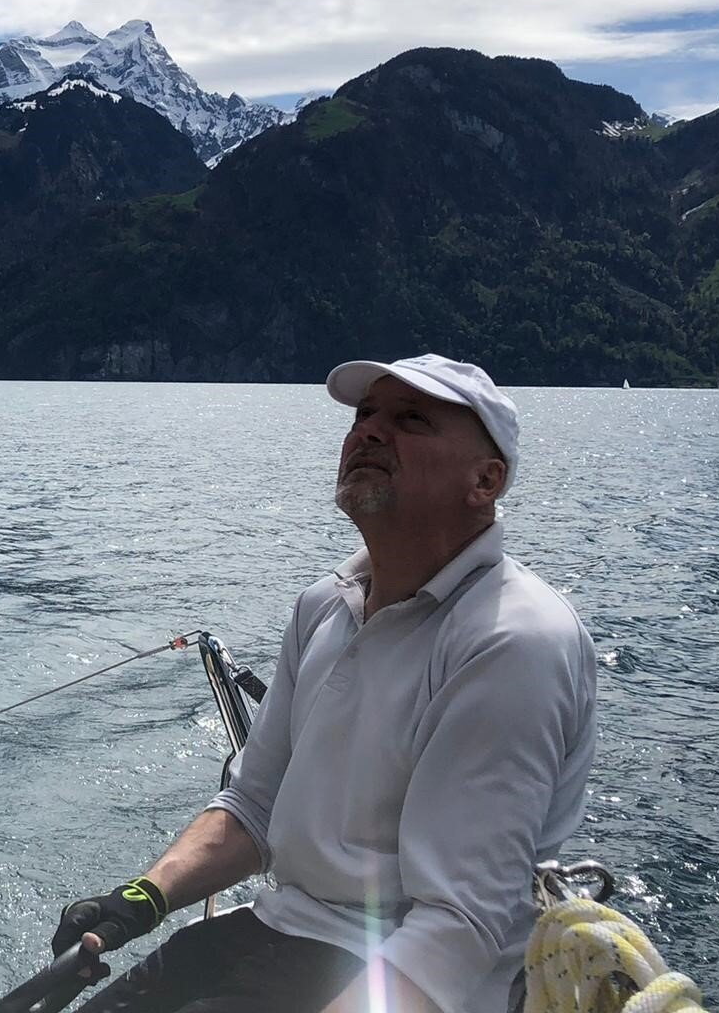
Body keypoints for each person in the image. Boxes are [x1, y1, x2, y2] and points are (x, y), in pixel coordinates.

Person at [52, 354, 597, 1013]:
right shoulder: (324, 605)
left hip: (399, 972)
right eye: (364, 415)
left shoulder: (514, 640)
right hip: (274, 932)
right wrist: (139, 901)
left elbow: (460, 925)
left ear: (484, 480)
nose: (367, 431)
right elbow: (254, 807)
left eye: (409, 420)